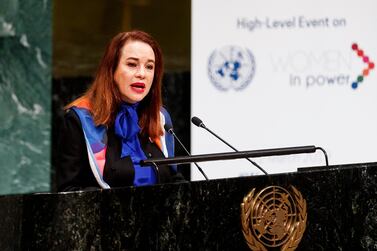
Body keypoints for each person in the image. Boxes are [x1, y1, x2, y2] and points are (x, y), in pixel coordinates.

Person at [57, 30, 183, 192]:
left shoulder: (160, 118)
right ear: (112, 69)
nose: (142, 74)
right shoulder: (80, 119)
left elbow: (173, 179)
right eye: (132, 64)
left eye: (150, 67)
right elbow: (68, 191)